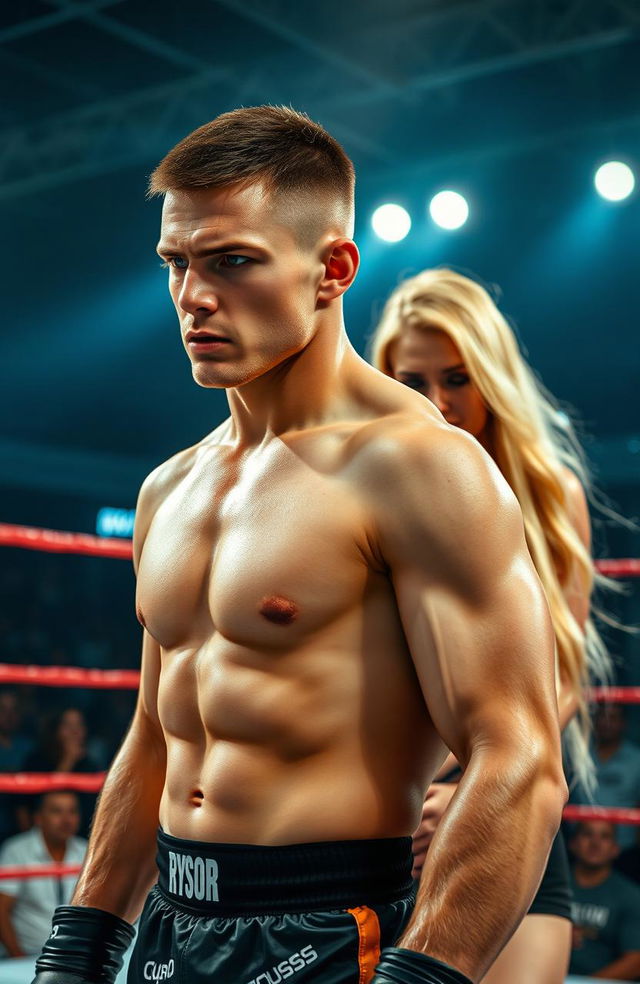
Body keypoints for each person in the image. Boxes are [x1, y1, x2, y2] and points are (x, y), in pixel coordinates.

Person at [31, 107, 567, 984]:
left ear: (332, 270)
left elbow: (520, 755)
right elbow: (155, 735)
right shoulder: (169, 488)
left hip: (332, 933)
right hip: (173, 922)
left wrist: (426, 973)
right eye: (178, 263)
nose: (194, 297)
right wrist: (83, 935)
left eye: (233, 261)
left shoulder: (419, 466)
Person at [370, 267, 609, 984]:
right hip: (386, 819)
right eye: (412, 382)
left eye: (457, 379)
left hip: (503, 793)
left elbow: (559, 678)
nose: (437, 404)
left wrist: (473, 786)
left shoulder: (546, 492)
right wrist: (414, 790)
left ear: (492, 380)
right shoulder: (360, 490)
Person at [0, 791, 86, 957]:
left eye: (72, 811)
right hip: (27, 955)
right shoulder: (17, 851)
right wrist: (18, 957)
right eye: (56, 811)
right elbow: (1, 910)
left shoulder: (88, 851)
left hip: (75, 957)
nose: (66, 820)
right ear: (38, 818)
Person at [569, 820, 640, 980]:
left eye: (605, 836)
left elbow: (636, 961)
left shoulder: (631, 895)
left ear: (616, 849)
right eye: (587, 834)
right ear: (573, 843)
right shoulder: (546, 885)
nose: (595, 843)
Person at [19, 707, 101, 838]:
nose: (74, 731)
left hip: (81, 841)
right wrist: (68, 761)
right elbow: (30, 805)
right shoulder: (37, 760)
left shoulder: (90, 765)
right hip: (39, 839)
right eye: (67, 725)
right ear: (56, 730)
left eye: (79, 725)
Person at [571, 702, 640, 851]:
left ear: (623, 723)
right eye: (601, 716)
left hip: (624, 846)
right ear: (593, 720)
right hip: (578, 845)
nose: (606, 722)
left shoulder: (637, 759)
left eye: (613, 717)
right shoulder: (577, 754)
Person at [0, 689, 33, 844]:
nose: (9, 715)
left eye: (14, 710)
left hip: (21, 823)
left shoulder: (28, 747)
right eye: (3, 709)